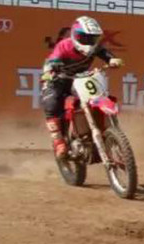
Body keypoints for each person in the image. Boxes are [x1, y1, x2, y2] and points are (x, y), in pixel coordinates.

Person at [41, 16, 123, 158]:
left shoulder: (96, 47)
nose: (89, 42)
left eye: (93, 38)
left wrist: (112, 59)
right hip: (60, 80)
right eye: (85, 38)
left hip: (81, 79)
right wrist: (49, 72)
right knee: (51, 103)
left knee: (99, 96)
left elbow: (105, 54)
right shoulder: (64, 46)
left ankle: (109, 131)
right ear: (75, 35)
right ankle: (58, 141)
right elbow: (51, 60)